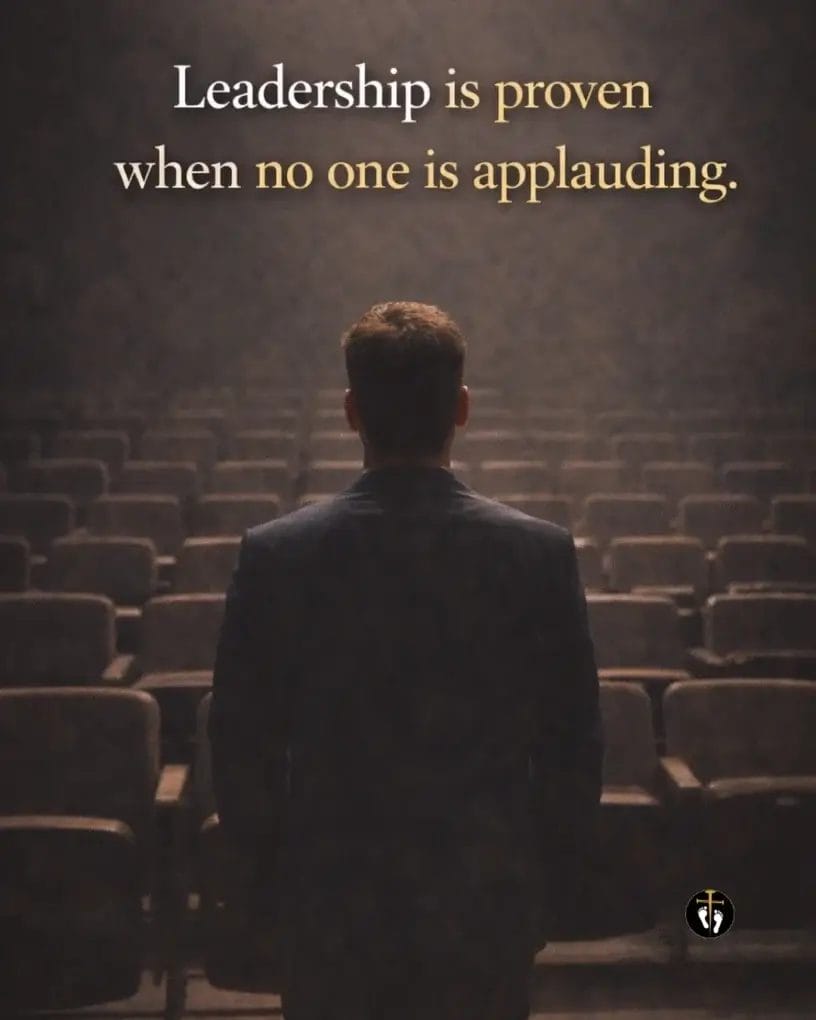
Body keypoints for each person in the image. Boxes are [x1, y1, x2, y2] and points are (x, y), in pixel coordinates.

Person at [208, 301, 603, 1019]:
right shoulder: (537, 554)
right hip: (482, 900)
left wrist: (271, 886)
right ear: (461, 408)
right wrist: (538, 882)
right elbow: (574, 748)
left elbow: (241, 748)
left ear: (352, 411)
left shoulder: (277, 556)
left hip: (331, 904)